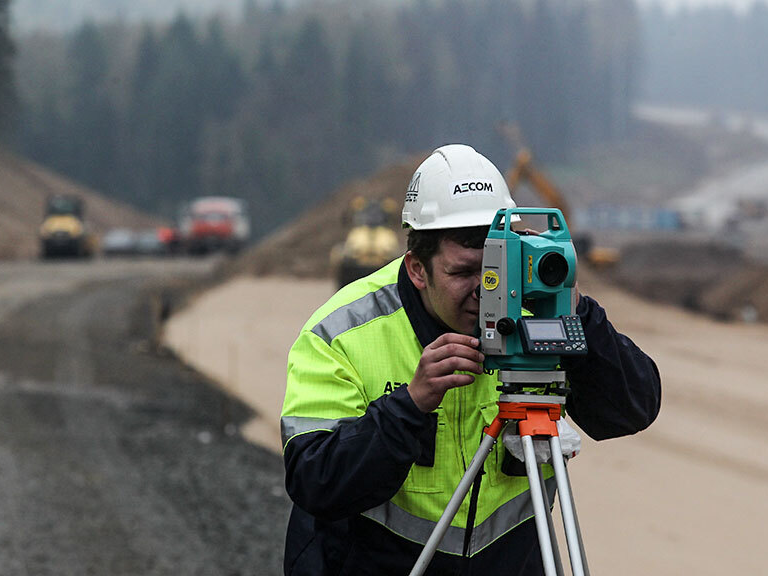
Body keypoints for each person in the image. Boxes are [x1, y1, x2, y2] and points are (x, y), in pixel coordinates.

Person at [281, 144, 661, 575]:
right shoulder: (341, 333)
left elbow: (633, 409)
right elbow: (315, 482)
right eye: (463, 273)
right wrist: (411, 404)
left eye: (496, 268)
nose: (486, 290)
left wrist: (579, 316)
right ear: (417, 269)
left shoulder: (536, 306)